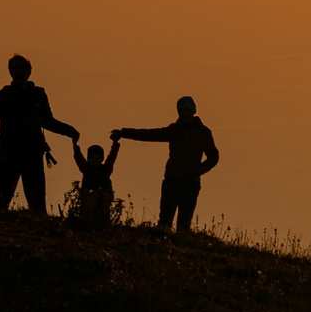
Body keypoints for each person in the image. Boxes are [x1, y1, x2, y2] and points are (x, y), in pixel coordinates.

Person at [0, 54, 80, 216]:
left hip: (32, 154)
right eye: (15, 69)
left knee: (37, 206)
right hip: (8, 155)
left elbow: (47, 121)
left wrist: (69, 131)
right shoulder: (3, 95)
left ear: (29, 71)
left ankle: (39, 235)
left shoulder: (38, 94)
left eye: (22, 68)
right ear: (10, 72)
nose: (19, 72)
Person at [112, 97, 220, 232]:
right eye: (180, 111)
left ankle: (182, 250)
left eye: (186, 110)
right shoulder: (173, 130)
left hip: (190, 183)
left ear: (193, 111)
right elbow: (149, 134)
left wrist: (198, 170)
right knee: (164, 223)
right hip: (171, 181)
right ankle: (162, 246)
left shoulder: (203, 132)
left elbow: (213, 156)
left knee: (184, 225)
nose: (183, 113)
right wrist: (124, 133)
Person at [70, 135, 121, 225]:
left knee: (104, 212)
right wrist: (75, 145)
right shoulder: (86, 168)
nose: (96, 160)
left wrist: (115, 143)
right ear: (88, 159)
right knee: (89, 205)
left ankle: (104, 225)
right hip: (89, 199)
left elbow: (112, 156)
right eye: (93, 158)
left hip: (104, 196)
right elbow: (78, 157)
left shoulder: (106, 169)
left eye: (98, 158)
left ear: (102, 159)